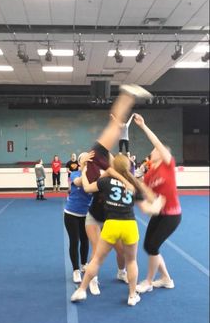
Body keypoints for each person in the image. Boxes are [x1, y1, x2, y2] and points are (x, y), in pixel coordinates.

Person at [83, 84, 155, 295]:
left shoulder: (111, 167)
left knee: (116, 126)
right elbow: (84, 185)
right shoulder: (102, 170)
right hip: (95, 214)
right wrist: (82, 166)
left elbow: (124, 175)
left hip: (109, 216)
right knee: (115, 126)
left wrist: (122, 177)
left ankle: (122, 271)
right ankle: (92, 280)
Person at [71, 154, 165, 306]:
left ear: (113, 167)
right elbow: (147, 209)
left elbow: (87, 187)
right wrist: (158, 205)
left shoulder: (105, 181)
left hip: (111, 224)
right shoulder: (134, 184)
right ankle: (132, 295)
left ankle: (81, 290)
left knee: (96, 259)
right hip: (129, 225)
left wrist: (84, 170)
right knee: (132, 261)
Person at [133, 113, 182, 294]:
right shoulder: (149, 174)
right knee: (149, 246)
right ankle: (166, 279)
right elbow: (148, 196)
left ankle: (148, 281)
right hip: (160, 213)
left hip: (172, 215)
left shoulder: (167, 164)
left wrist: (143, 126)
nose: (152, 150)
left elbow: (156, 143)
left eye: (156, 149)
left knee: (152, 246)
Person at [64, 153, 92, 284]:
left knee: (85, 240)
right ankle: (76, 270)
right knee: (74, 241)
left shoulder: (93, 175)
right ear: (79, 163)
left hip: (86, 215)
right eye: (84, 159)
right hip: (71, 214)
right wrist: (85, 167)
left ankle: (84, 264)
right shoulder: (75, 174)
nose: (87, 161)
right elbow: (79, 182)